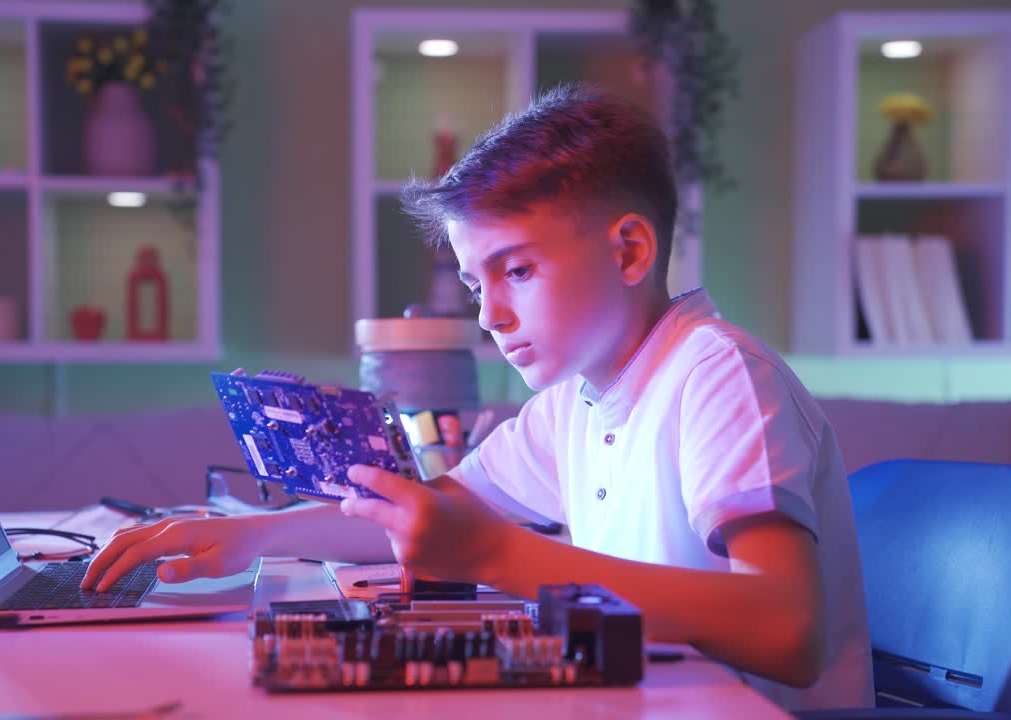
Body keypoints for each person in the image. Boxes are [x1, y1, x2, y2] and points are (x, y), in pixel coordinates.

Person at [81, 84, 872, 710]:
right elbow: (433, 512)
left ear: (629, 248)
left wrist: (496, 554)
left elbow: (786, 630)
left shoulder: (715, 373)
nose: (488, 316)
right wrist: (253, 535)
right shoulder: (575, 403)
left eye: (517, 270)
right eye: (473, 282)